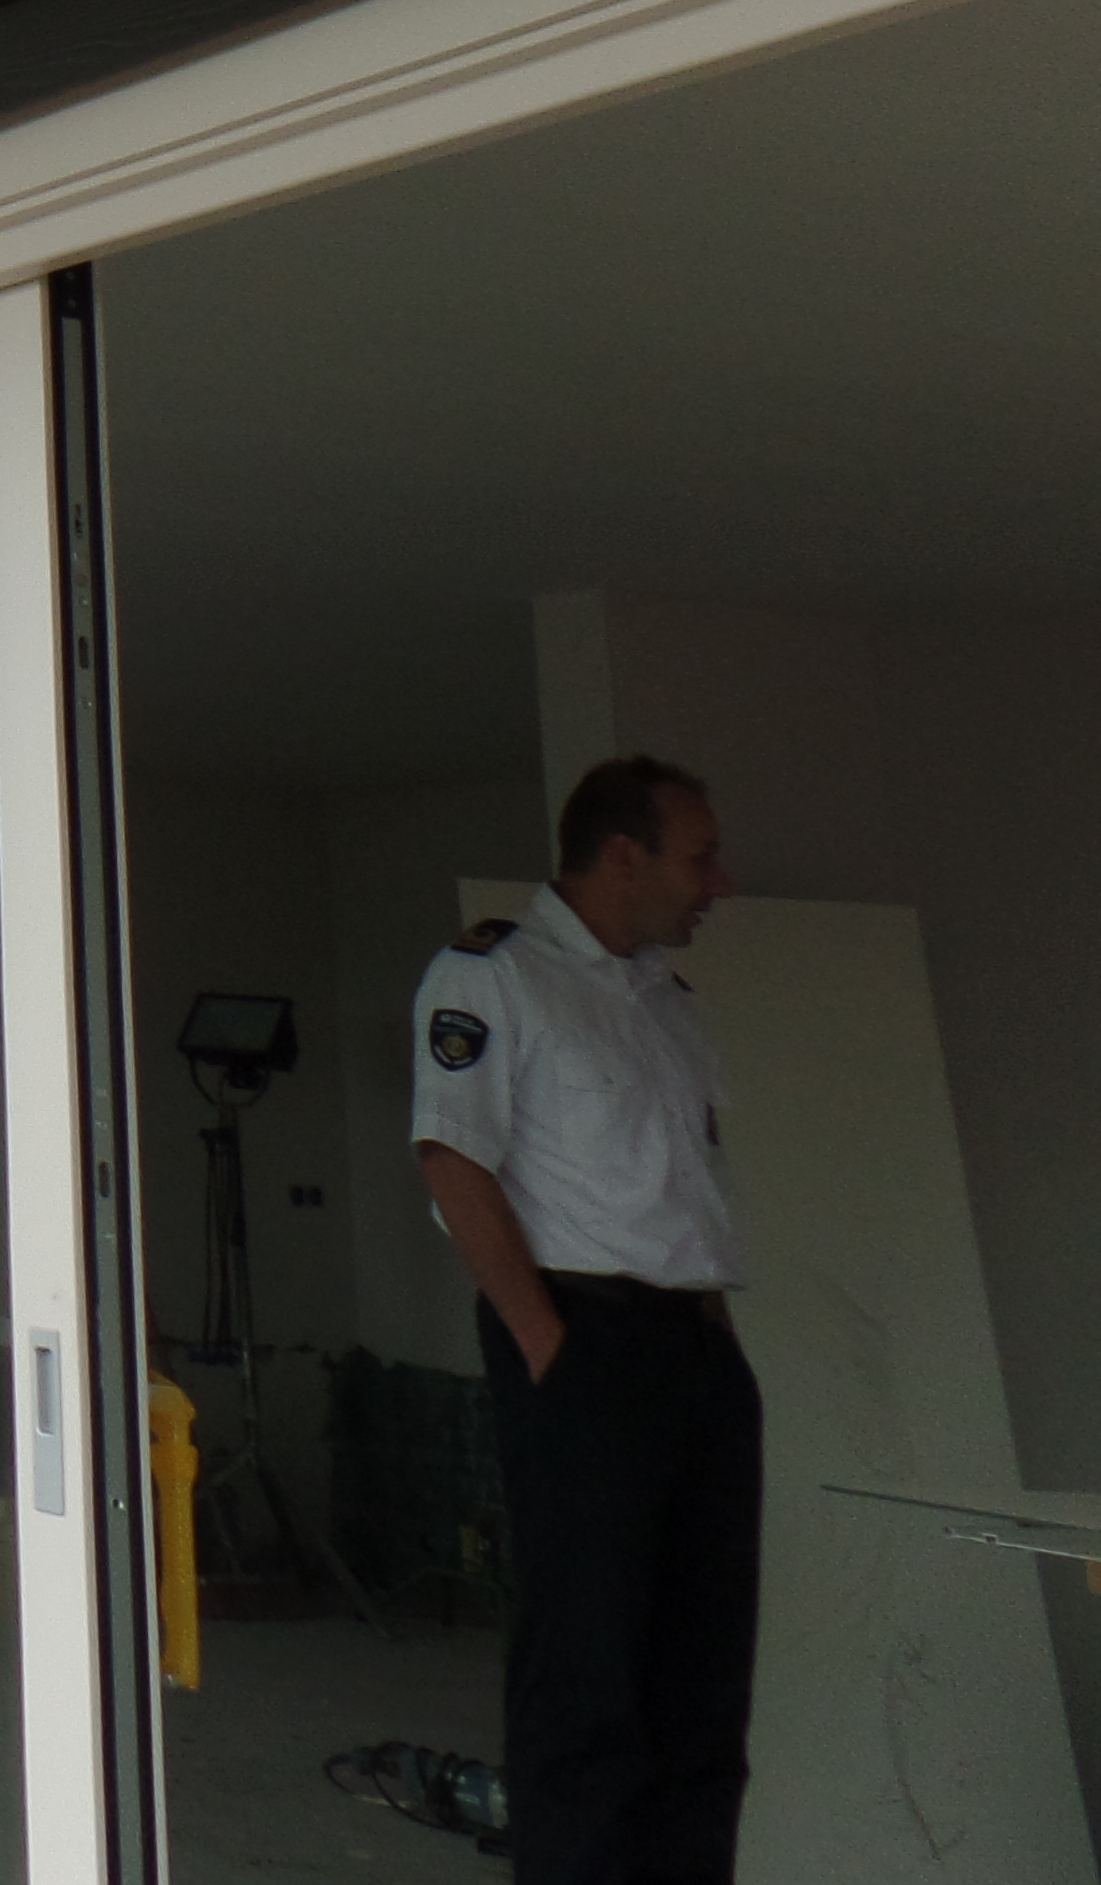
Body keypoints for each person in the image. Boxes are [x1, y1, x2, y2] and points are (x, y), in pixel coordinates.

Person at [410, 754, 754, 1885]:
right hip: (586, 1344)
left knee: (702, 1686)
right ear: (623, 857)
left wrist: (716, 1348)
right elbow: (453, 1162)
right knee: (587, 1684)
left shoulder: (666, 1003)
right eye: (700, 858)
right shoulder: (495, 978)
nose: (719, 884)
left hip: (696, 1355)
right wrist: (548, 1348)